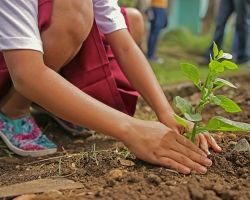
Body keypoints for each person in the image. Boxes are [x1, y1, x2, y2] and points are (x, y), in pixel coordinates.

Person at [0, 0, 221, 174]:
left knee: (131, 20)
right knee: (73, 7)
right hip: (13, 62)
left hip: (32, 51)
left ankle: (52, 101)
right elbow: (27, 75)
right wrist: (132, 130)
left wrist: (166, 113)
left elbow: (124, 46)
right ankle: (13, 110)